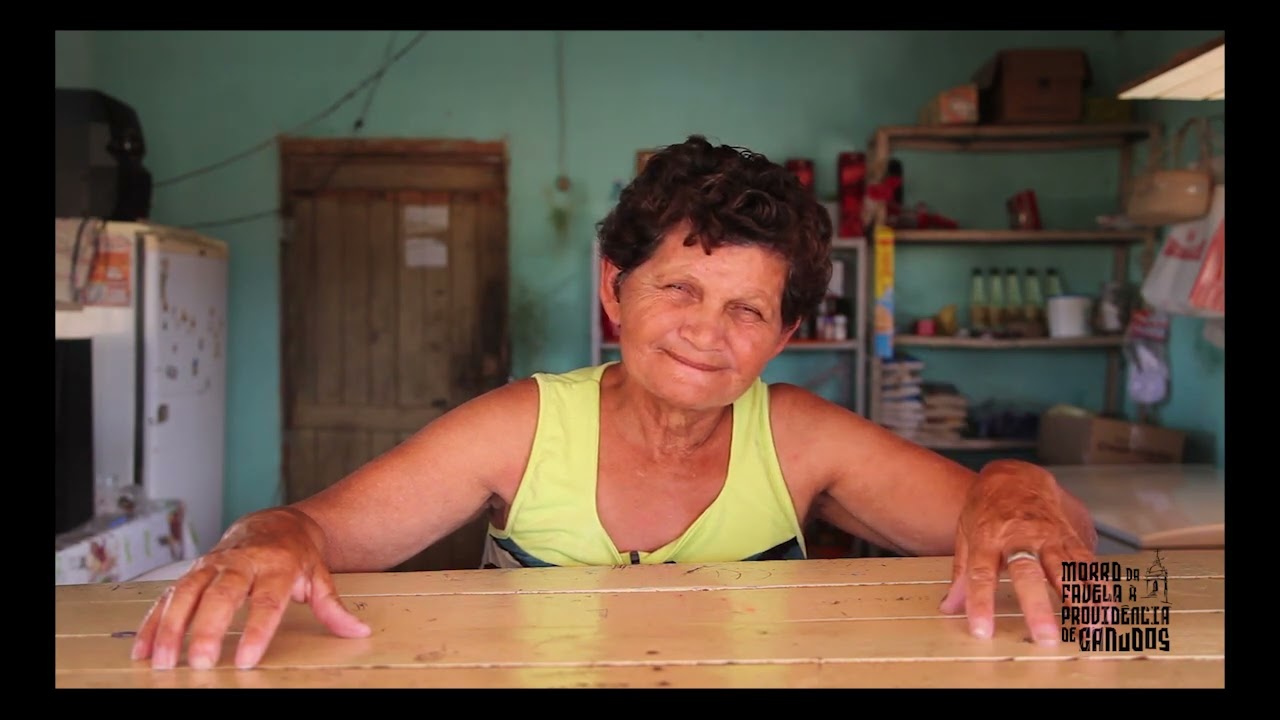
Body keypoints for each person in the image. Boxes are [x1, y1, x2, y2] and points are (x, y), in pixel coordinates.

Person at [131, 134, 1098, 671]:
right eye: (676, 288)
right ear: (614, 290)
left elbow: (1055, 561)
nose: (705, 332)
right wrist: (265, 537)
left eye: (747, 309)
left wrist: (1018, 484)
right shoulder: (521, 426)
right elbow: (310, 529)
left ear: (786, 336)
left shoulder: (804, 438)